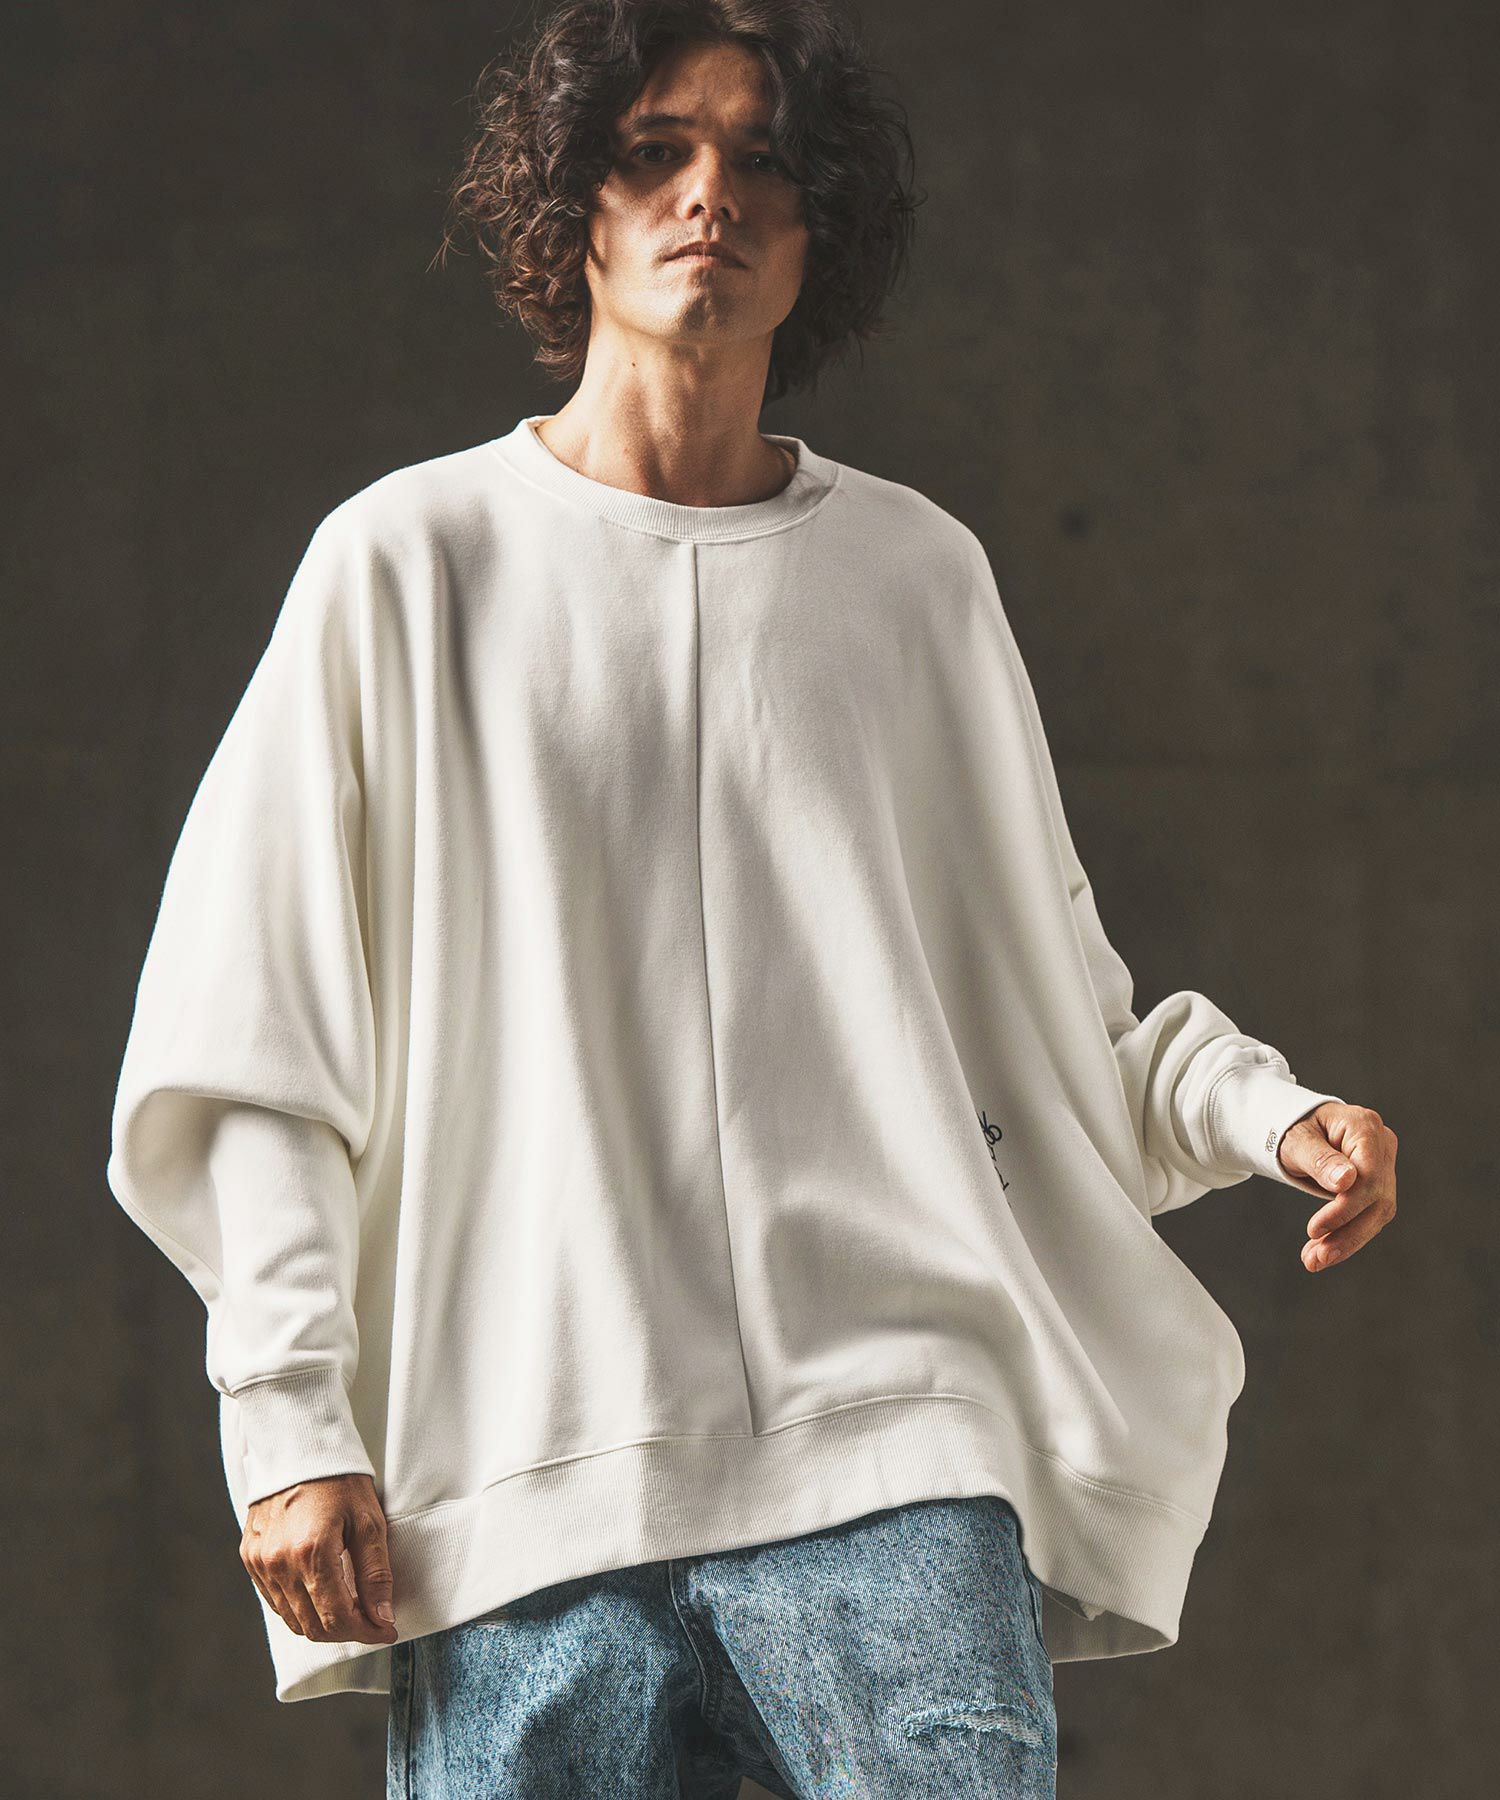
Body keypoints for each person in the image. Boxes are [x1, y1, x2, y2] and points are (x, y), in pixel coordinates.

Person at [106, 1, 1398, 1793]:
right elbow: (257, 1044)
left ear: (820, 226)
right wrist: (288, 1420)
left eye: (763, 159)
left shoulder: (915, 579)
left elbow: (1048, 1024)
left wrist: (1267, 1111)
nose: (709, 193)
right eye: (655, 151)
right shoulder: (404, 568)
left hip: (894, 1466)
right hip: (521, 1477)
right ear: (573, 204)